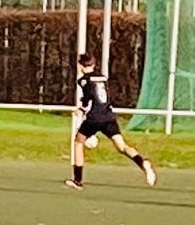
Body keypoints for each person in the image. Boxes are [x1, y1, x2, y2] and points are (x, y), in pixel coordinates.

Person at [66, 53, 156, 190]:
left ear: (80, 66)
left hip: (95, 117)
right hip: (108, 116)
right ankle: (143, 163)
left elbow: (88, 97)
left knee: (78, 142)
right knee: (122, 147)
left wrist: (82, 109)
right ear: (93, 64)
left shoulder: (84, 80)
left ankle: (77, 180)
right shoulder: (102, 77)